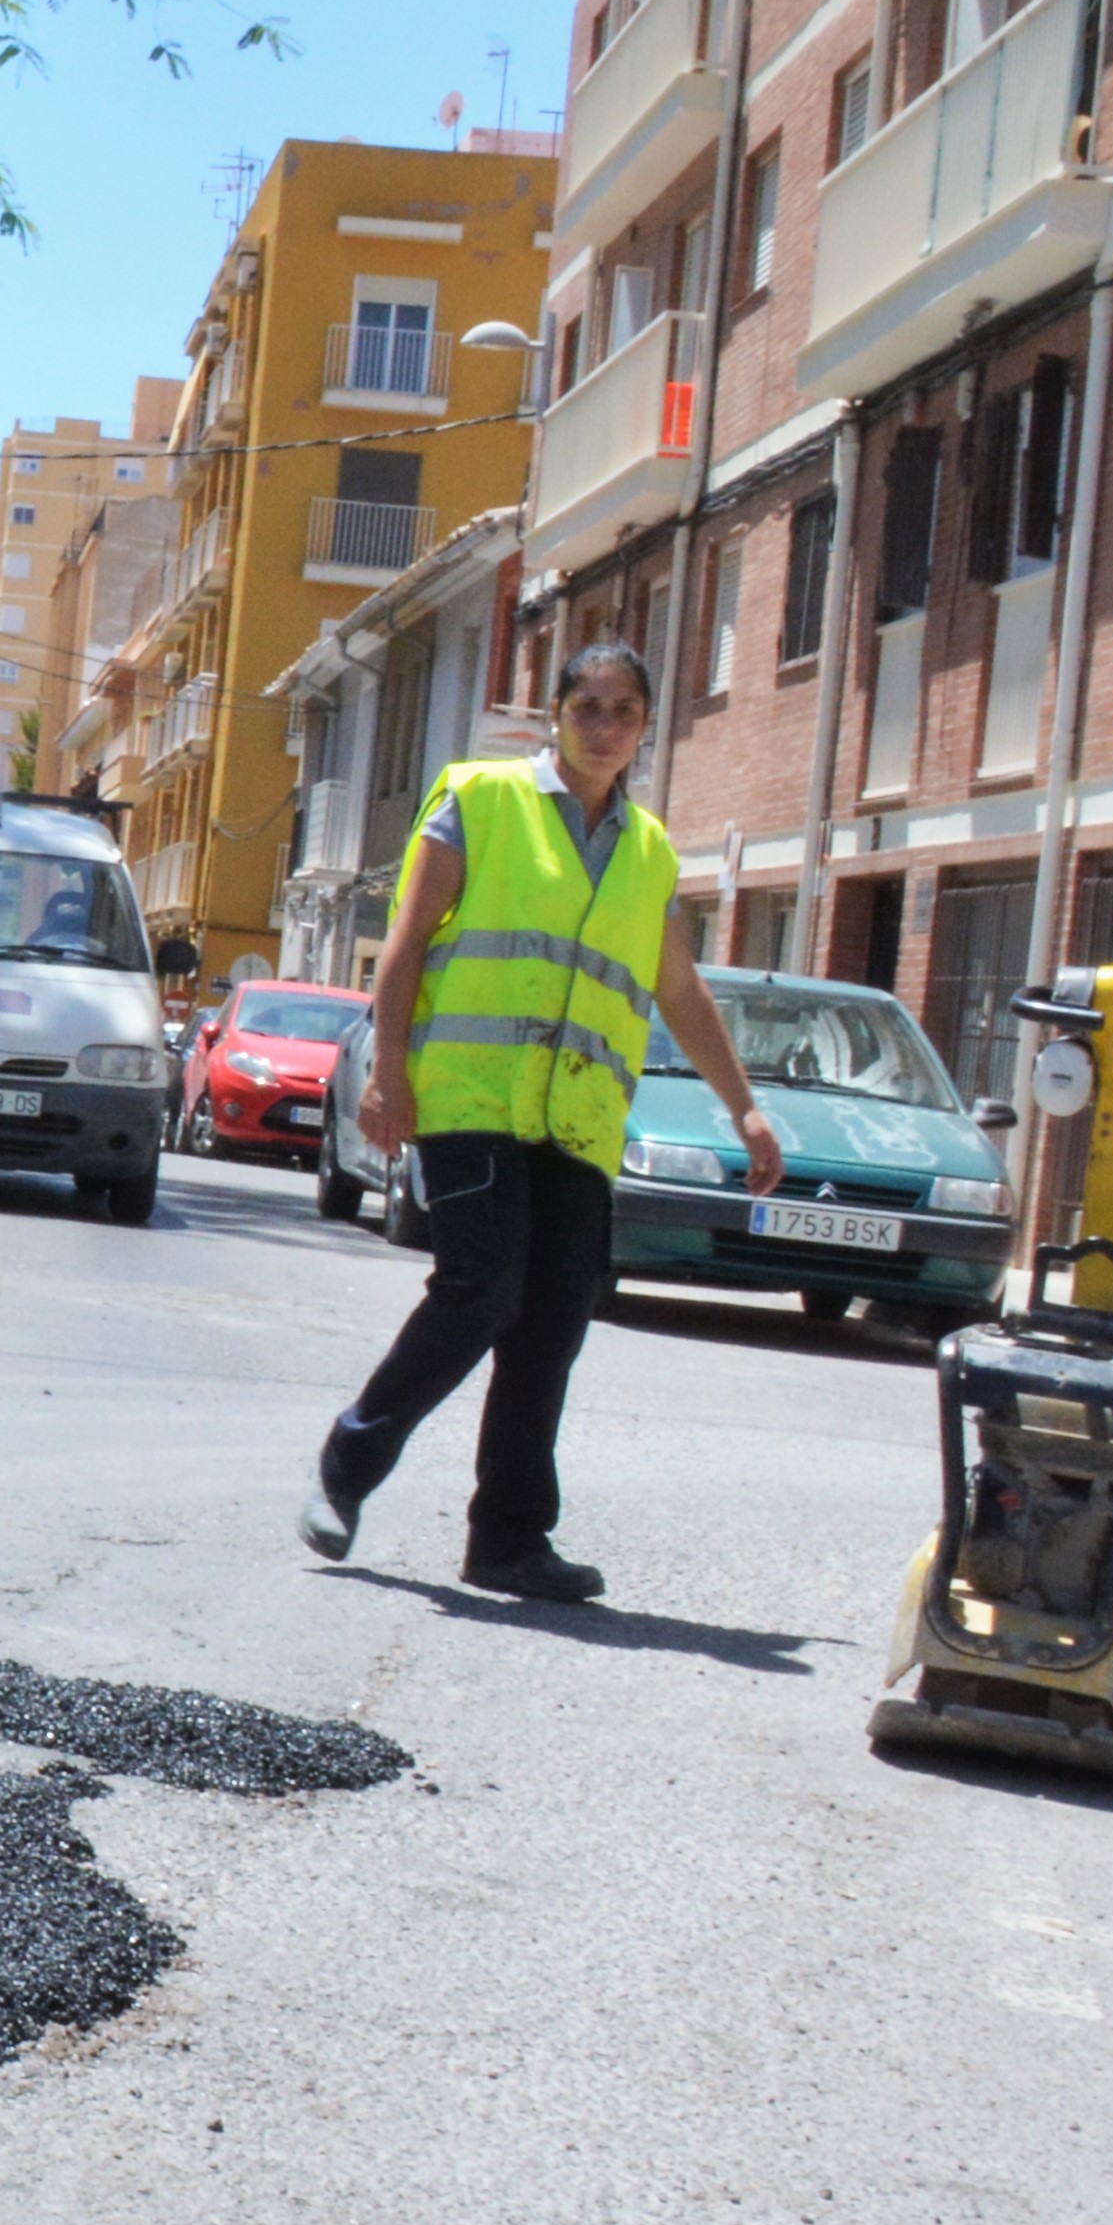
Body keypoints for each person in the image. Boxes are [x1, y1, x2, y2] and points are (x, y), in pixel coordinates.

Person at [306, 640, 784, 1604]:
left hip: (576, 1120)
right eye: (588, 707)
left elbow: (679, 989)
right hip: (472, 1101)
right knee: (480, 1289)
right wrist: (387, 1076)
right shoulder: (477, 801)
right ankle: (348, 1465)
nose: (605, 727)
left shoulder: (648, 851)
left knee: (554, 1320)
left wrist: (747, 1106)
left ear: (646, 726)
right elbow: (403, 950)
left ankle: (509, 1542)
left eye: (625, 711)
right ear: (554, 715)